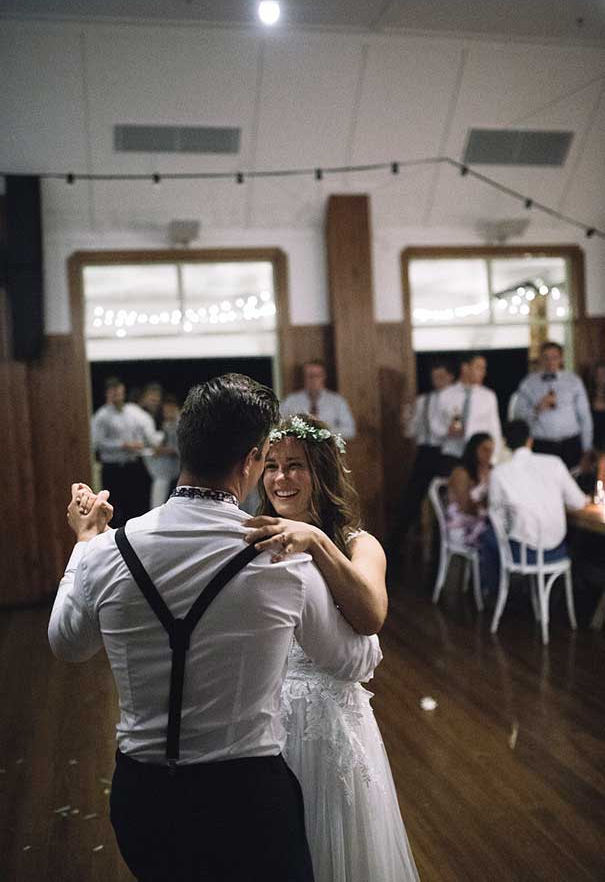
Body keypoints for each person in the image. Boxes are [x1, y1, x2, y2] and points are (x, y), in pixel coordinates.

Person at [49, 374, 381, 882]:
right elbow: (352, 660)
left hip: (143, 798)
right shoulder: (280, 556)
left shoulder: (108, 553)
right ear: (251, 460)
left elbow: (67, 645)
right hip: (246, 798)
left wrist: (86, 541)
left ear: (182, 445)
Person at [243, 414, 420, 882]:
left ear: (321, 471)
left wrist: (318, 543)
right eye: (272, 465)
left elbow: (370, 616)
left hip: (332, 727)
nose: (281, 478)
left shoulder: (359, 544)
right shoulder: (252, 538)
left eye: (295, 465)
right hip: (261, 724)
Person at [480, 419, 587, 594]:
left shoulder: (499, 473)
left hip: (524, 554)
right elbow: (578, 502)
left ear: (506, 443)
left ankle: (494, 592)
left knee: (487, 536)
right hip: (555, 549)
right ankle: (540, 591)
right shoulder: (554, 463)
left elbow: (496, 516)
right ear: (530, 440)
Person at [387, 358, 454, 556]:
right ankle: (394, 551)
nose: (437, 380)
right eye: (434, 377)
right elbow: (411, 431)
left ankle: (440, 550)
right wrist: (405, 420)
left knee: (443, 504)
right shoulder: (424, 400)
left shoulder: (456, 399)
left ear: (451, 377)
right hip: (425, 453)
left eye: (441, 376)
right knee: (410, 499)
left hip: (446, 453)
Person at [513, 341, 593, 470]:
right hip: (542, 445)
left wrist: (587, 448)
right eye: (546, 358)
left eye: (554, 357)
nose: (550, 362)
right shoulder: (528, 383)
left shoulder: (573, 381)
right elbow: (518, 416)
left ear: (561, 359)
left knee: (572, 482)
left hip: (570, 444)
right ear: (540, 359)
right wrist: (537, 408)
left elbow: (585, 417)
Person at [91, 376, 157, 526]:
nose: (117, 395)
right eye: (113, 393)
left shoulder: (131, 412)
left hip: (132, 466)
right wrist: (123, 445)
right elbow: (97, 443)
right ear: (107, 394)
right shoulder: (102, 416)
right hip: (113, 468)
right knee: (114, 509)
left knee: (134, 507)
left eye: (119, 392)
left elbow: (145, 432)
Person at [434, 354, 502, 472]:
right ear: (465, 368)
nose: (483, 372)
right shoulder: (445, 395)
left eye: (484, 368)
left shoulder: (488, 396)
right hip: (451, 454)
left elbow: (495, 429)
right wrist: (447, 430)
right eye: (479, 368)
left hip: (478, 457)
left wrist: (493, 460)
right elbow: (434, 426)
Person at [280, 359, 356, 439]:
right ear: (304, 378)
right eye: (309, 376)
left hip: (328, 447)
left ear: (324, 377)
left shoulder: (337, 401)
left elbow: (350, 431)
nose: (313, 380)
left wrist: (325, 432)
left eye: (316, 375)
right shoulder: (291, 401)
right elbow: (279, 425)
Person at [446, 432, 494, 549]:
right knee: (496, 539)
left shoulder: (491, 471)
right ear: (474, 449)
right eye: (484, 450)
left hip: (481, 521)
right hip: (461, 525)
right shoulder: (461, 472)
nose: (488, 455)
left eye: (491, 451)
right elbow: (464, 507)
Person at [145, 394, 181, 508]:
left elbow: (181, 449)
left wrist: (162, 451)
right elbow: (166, 442)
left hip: (182, 470)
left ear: (176, 409)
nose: (167, 413)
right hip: (170, 470)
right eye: (165, 411)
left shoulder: (182, 425)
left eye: (170, 410)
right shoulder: (167, 425)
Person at [585, 360, 605, 451]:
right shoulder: (586, 395)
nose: (600, 377)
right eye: (598, 374)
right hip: (593, 444)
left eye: (603, 374)